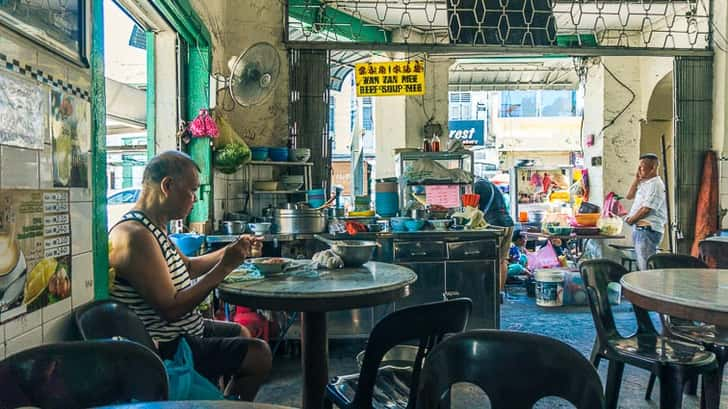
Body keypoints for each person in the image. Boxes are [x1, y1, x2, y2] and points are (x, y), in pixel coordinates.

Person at [108, 151, 271, 400]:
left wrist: (233, 250)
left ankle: (221, 401)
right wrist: (225, 267)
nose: (195, 199)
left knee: (240, 333)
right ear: (168, 186)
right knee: (259, 354)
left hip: (186, 332)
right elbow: (171, 308)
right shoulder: (134, 235)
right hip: (169, 347)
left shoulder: (153, 226)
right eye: (192, 190)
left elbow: (189, 267)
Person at [624, 153, 668, 270]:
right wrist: (636, 179)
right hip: (639, 230)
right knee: (641, 266)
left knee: (646, 268)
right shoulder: (645, 183)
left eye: (641, 167)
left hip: (647, 231)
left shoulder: (656, 185)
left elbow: (647, 209)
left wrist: (631, 220)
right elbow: (629, 196)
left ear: (653, 168)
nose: (639, 170)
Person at [473, 177, 515, 291]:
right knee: (502, 260)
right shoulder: (492, 186)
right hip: (508, 222)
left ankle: (488, 294)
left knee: (489, 260)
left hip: (494, 225)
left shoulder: (477, 187)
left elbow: (472, 210)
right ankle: (499, 294)